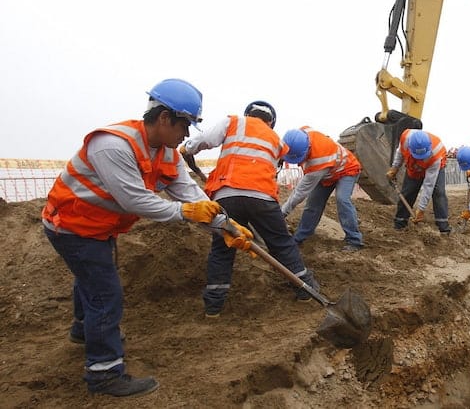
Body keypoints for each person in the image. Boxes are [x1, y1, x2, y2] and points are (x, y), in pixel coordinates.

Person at [41, 79, 254, 398]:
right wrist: (184, 213)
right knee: (104, 292)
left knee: (93, 279)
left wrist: (226, 227)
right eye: (185, 125)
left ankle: (83, 330)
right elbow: (134, 200)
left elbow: (192, 195)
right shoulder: (113, 145)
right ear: (165, 118)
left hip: (99, 226)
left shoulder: (168, 154)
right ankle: (104, 373)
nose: (186, 134)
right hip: (71, 225)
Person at [179, 101, 320, 312]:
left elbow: (203, 141)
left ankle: (214, 306)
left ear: (248, 114)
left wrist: (186, 147)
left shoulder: (233, 122)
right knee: (281, 243)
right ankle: (306, 290)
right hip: (263, 198)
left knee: (222, 247)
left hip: (227, 194)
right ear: (271, 122)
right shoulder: (277, 141)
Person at [280, 127, 365, 252]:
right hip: (328, 173)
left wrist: (282, 213)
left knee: (342, 199)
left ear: (307, 150)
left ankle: (354, 240)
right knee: (313, 204)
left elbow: (299, 193)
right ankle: (299, 238)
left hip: (347, 169)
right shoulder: (301, 134)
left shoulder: (318, 161)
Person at [386, 129, 451, 234]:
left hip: (435, 166)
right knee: (408, 192)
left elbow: (428, 185)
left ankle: (443, 226)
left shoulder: (435, 153)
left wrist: (421, 209)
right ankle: (400, 222)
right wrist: (394, 168)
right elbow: (400, 152)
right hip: (414, 167)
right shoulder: (405, 139)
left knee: (438, 192)